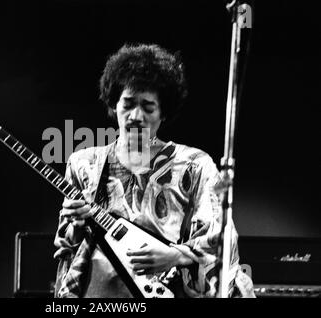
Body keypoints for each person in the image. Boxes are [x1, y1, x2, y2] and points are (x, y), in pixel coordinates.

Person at [53, 43, 254, 298]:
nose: (136, 115)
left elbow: (221, 238)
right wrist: (76, 224)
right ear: (114, 105)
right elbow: (66, 247)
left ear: (163, 113)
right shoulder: (84, 164)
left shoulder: (194, 164)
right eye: (127, 104)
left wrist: (175, 256)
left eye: (148, 107)